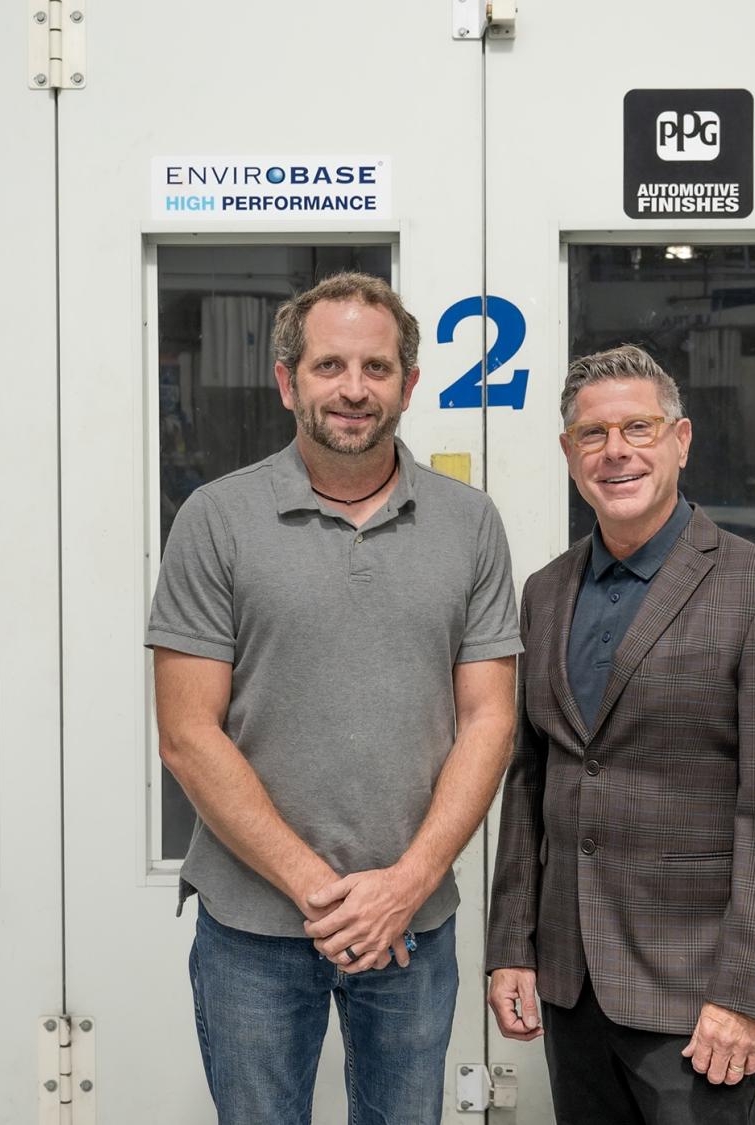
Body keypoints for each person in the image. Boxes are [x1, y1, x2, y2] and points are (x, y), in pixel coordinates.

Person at [147, 272, 521, 1124]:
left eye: (376, 367)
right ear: (288, 381)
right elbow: (187, 733)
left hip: (411, 924)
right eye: (329, 366)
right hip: (252, 927)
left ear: (409, 384)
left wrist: (405, 885)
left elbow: (490, 719)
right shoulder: (216, 519)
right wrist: (322, 890)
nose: (354, 388)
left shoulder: (470, 523)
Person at [485, 344, 755, 1125]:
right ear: (569, 453)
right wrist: (512, 943)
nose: (616, 451)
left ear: (680, 440)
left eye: (637, 428)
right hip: (571, 987)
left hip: (697, 999)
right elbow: (529, 779)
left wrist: (747, 994)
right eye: (593, 434)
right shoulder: (545, 592)